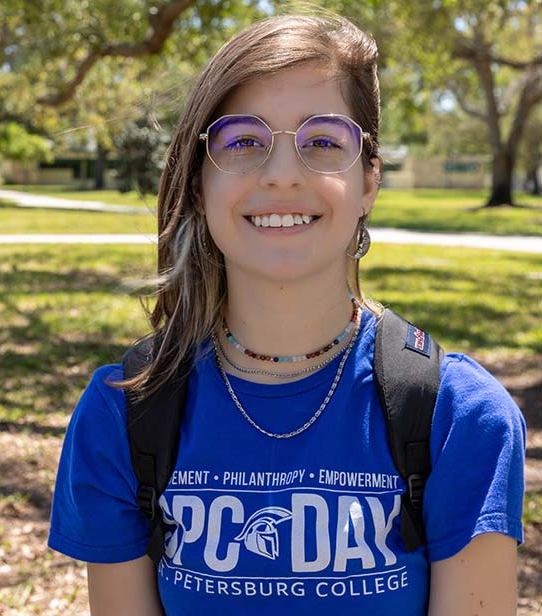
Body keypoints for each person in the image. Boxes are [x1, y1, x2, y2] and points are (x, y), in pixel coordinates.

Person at [48, 12, 526, 616]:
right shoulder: (124, 412)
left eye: (323, 141)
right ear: (199, 182)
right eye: (243, 140)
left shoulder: (461, 418)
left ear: (369, 180)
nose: (279, 175)